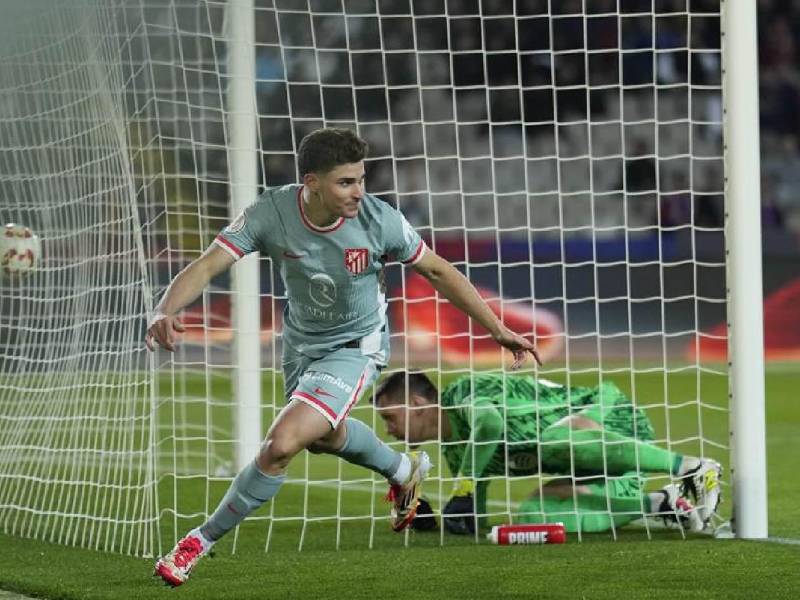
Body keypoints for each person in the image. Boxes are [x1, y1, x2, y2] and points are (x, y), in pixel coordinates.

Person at [146, 128, 540, 586]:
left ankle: (198, 540)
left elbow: (437, 269)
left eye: (361, 179)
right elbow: (210, 262)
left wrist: (497, 329)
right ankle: (403, 469)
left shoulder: (379, 220)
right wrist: (165, 309)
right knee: (322, 437)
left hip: (357, 347)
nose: (358, 192)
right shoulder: (270, 211)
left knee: (282, 444)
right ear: (311, 183)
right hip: (300, 345)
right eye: (345, 182)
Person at [373, 371, 722, 535]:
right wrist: (436, 521)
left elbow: (490, 424)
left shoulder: (464, 394)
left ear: (417, 403)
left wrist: (463, 488)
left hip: (611, 422)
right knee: (533, 516)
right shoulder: (455, 448)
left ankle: (691, 467)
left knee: (553, 440)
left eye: (389, 417)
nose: (388, 429)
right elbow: (473, 517)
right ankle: (661, 503)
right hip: (593, 465)